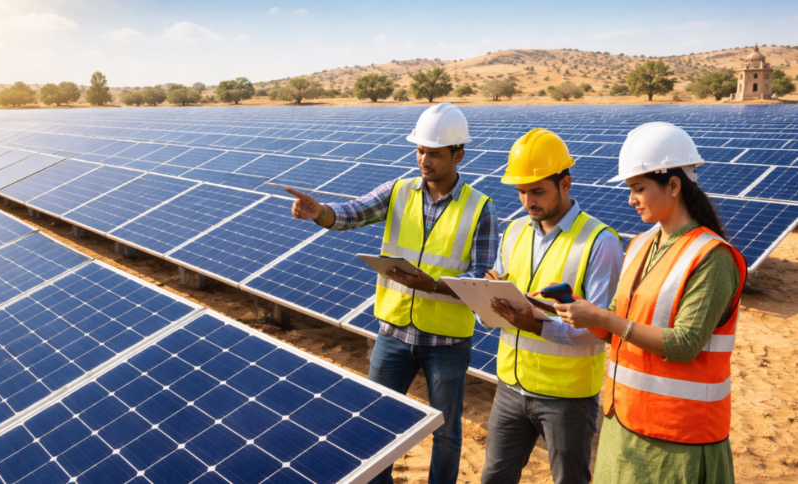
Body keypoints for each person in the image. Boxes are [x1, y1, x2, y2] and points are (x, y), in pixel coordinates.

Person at [287, 103, 499, 484]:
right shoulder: (398, 190)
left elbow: (481, 274)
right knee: (374, 419)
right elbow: (354, 212)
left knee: (446, 433)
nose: (424, 159)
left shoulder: (480, 208)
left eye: (434, 152)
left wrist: (433, 285)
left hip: (447, 341)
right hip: (394, 332)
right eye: (420, 150)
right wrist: (320, 212)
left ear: (458, 155)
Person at [553, 122, 746, 483]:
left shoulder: (712, 257)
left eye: (639, 188)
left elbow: (685, 343)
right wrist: (583, 311)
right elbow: (618, 321)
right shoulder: (641, 244)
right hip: (623, 420)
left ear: (674, 185)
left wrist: (605, 320)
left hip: (679, 435)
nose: (630, 199)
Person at [479, 128, 624, 484]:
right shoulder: (512, 231)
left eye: (538, 191)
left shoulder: (600, 243)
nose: (528, 201)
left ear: (565, 183)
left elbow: (601, 331)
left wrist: (537, 325)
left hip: (567, 398)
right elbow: (500, 299)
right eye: (522, 192)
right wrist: (485, 300)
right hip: (511, 386)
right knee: (494, 478)